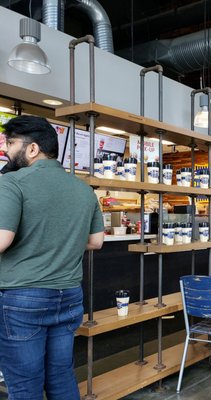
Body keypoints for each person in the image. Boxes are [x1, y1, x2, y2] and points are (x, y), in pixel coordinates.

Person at [0, 115, 105, 399]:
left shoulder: (12, 183)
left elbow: (2, 240)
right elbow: (96, 242)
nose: (6, 150)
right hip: (69, 295)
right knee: (60, 376)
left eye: (10, 143)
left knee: (25, 384)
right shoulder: (84, 190)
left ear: (32, 149)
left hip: (24, 298)